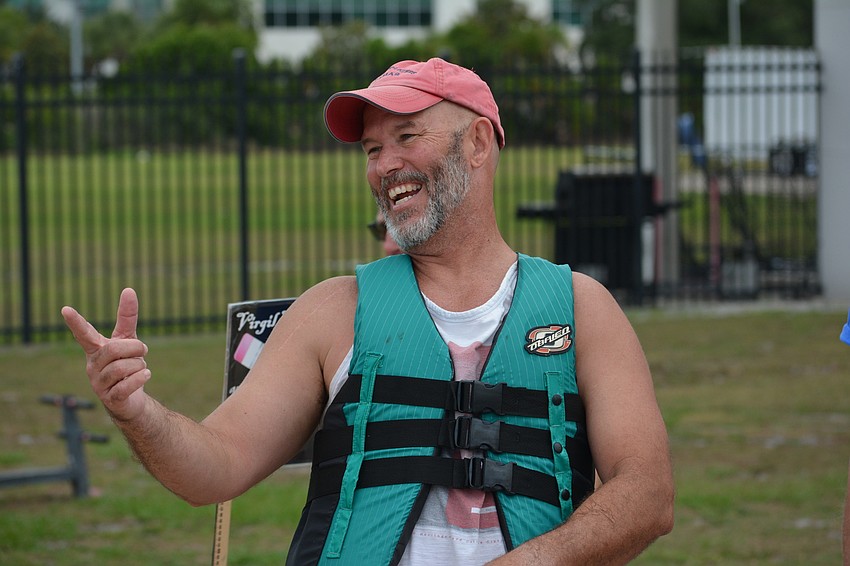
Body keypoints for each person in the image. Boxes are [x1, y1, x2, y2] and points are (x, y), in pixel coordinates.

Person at [61, 57, 674, 565]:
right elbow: (213, 469)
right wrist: (136, 411)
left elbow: (648, 493)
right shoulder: (331, 313)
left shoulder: (582, 309)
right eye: (373, 148)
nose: (384, 166)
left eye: (408, 136)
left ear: (480, 141)